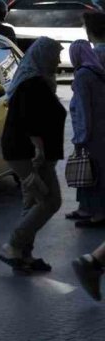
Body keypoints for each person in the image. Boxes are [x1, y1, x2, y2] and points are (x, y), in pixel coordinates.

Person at [0, 37, 65, 272]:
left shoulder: (37, 81)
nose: (57, 60)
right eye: (55, 55)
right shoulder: (33, 85)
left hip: (29, 154)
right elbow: (31, 123)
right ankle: (13, 244)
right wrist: (40, 150)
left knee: (33, 201)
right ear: (43, 56)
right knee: (50, 200)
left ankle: (23, 254)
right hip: (30, 156)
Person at [68, 40, 105, 228]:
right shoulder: (96, 71)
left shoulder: (83, 75)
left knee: (92, 171)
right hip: (98, 130)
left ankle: (97, 213)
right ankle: (86, 208)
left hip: (90, 133)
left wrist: (81, 137)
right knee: (92, 170)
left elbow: (83, 107)